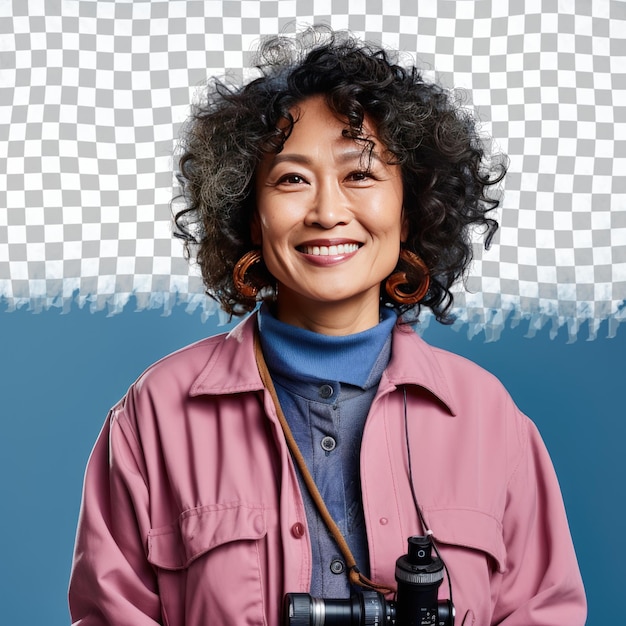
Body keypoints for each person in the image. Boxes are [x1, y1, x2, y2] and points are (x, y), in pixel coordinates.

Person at [69, 28, 586, 625]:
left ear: (410, 207)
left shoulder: (488, 418)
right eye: (291, 179)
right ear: (249, 212)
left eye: (360, 175)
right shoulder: (154, 414)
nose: (327, 212)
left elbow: (544, 612)